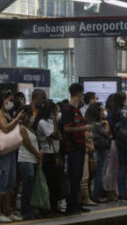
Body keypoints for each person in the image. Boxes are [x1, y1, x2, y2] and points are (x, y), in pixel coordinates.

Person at [0, 90, 23, 222]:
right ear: (3, 99)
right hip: (0, 150)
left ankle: (7, 211)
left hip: (10, 149)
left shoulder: (7, 113)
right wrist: (17, 119)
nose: (11, 103)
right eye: (9, 100)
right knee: (0, 180)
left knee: (9, 181)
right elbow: (5, 128)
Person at [61, 84, 93, 214]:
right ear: (79, 94)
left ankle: (77, 203)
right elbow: (67, 129)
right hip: (72, 149)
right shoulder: (68, 109)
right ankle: (71, 206)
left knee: (78, 178)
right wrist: (84, 129)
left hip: (79, 148)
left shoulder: (76, 109)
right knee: (73, 178)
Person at [36, 100, 65, 213]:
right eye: (54, 111)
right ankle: (47, 206)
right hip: (48, 155)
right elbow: (54, 135)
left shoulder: (52, 121)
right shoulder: (42, 122)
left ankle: (55, 204)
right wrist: (55, 123)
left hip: (56, 153)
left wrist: (55, 135)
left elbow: (59, 137)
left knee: (56, 181)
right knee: (49, 181)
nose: (56, 113)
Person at [18, 106, 43, 220]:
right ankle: (25, 210)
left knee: (31, 186)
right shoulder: (22, 128)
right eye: (31, 114)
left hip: (32, 159)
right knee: (27, 186)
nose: (33, 116)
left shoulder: (30, 128)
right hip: (25, 159)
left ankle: (30, 208)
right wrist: (37, 154)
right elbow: (27, 144)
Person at [104, 92, 127, 201]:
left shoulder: (108, 113)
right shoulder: (119, 114)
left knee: (111, 168)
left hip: (112, 142)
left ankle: (111, 191)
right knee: (113, 168)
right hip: (117, 142)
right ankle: (112, 191)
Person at [86, 103, 110, 203]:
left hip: (92, 149)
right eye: (100, 110)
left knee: (91, 174)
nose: (102, 112)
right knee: (99, 172)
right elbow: (107, 134)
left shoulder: (88, 123)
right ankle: (97, 194)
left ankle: (89, 195)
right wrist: (107, 124)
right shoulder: (98, 124)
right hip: (101, 149)